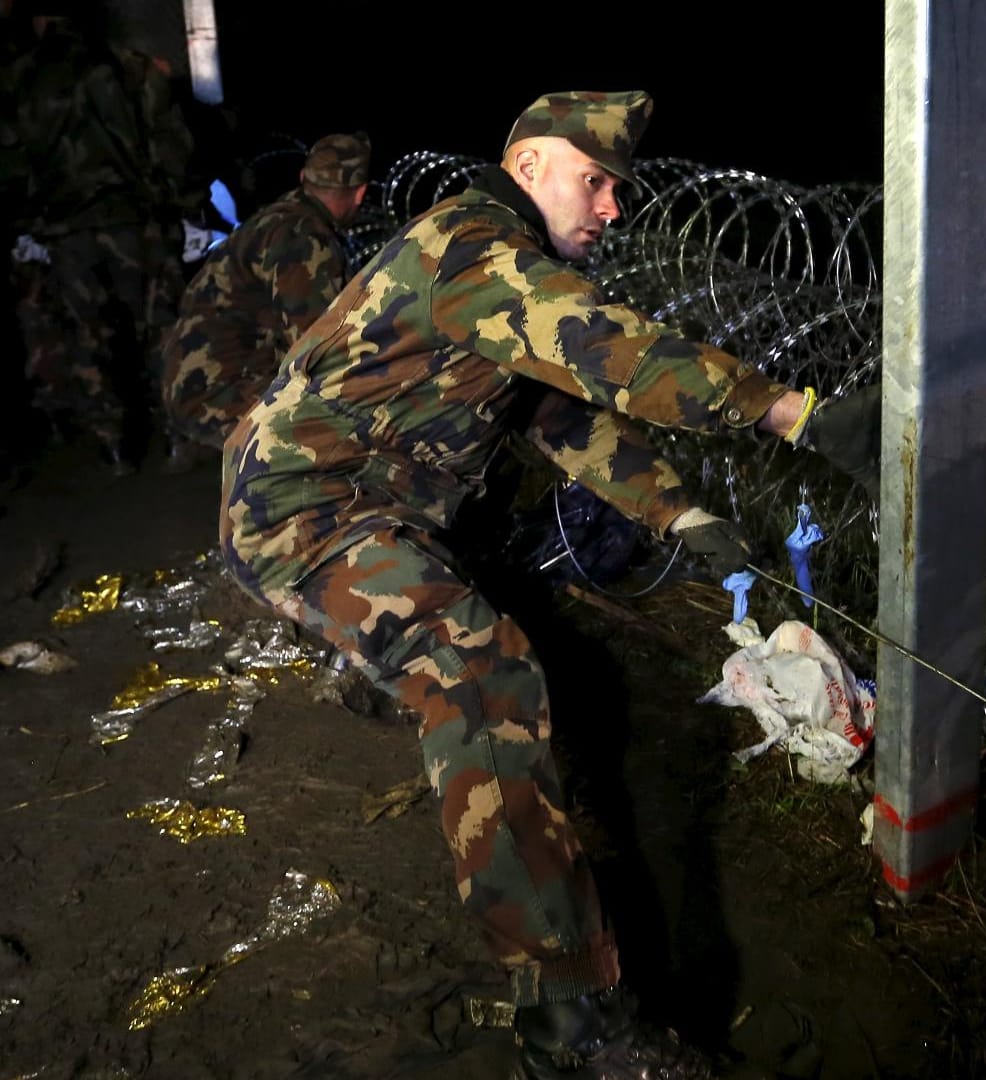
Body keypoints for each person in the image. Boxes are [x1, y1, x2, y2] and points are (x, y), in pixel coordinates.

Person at [219, 91, 879, 1079]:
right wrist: (787, 410)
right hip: (302, 509)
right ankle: (572, 1022)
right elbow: (602, 349)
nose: (612, 208)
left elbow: (563, 416)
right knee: (484, 669)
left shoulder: (496, 267)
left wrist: (679, 516)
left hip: (373, 503)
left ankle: (375, 663)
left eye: (618, 189)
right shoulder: (474, 252)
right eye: (596, 181)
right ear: (528, 166)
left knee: (471, 597)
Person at [0, 5, 197, 473]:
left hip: (66, 231)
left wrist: (26, 223)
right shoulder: (127, 66)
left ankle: (113, 447)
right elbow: (170, 144)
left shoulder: (17, 80)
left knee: (89, 338)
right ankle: (176, 434)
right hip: (136, 222)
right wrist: (183, 204)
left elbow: (11, 162)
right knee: (160, 328)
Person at [160, 133, 371, 460]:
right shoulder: (306, 239)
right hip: (219, 391)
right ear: (360, 194)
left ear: (303, 178)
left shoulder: (276, 218)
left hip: (191, 380)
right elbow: (314, 351)